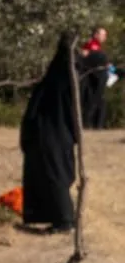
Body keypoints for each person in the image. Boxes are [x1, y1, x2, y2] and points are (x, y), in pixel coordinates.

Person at [21, 37, 80, 232]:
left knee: (55, 176)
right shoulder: (67, 76)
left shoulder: (58, 77)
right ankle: (58, 218)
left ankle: (64, 220)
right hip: (58, 133)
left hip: (51, 133)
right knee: (54, 175)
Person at [77, 28, 112, 131]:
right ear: (96, 35)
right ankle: (90, 124)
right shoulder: (92, 45)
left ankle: (97, 126)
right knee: (93, 102)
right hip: (91, 80)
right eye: (103, 35)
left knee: (100, 103)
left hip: (97, 79)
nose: (105, 37)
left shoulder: (97, 46)